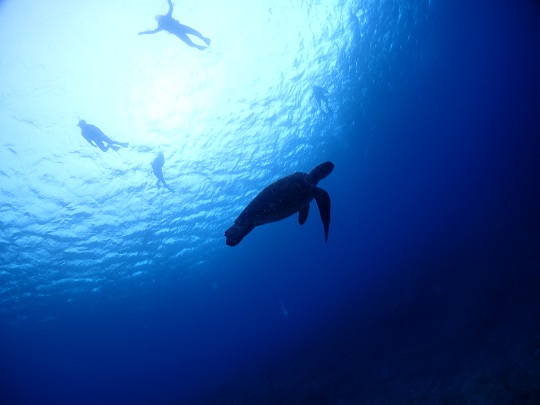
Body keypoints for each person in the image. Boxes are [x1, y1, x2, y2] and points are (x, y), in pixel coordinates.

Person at [138, 0, 211, 51]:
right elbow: (171, 8)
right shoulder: (164, 21)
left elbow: (153, 32)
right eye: (158, 17)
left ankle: (203, 42)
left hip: (179, 30)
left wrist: (143, 33)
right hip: (180, 29)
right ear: (159, 18)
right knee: (192, 40)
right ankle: (201, 44)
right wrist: (143, 33)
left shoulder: (163, 24)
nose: (159, 17)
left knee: (194, 37)